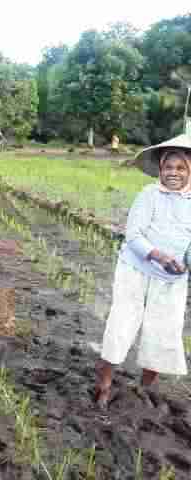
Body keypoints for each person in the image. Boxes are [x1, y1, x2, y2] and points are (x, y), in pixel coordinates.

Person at [94, 134, 191, 410]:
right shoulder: (149, 195)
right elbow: (133, 236)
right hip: (135, 270)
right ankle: (104, 385)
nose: (173, 173)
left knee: (164, 332)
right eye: (168, 167)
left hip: (172, 280)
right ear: (160, 169)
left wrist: (184, 264)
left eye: (180, 168)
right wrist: (158, 255)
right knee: (122, 324)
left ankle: (142, 387)